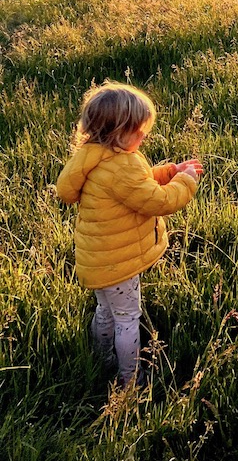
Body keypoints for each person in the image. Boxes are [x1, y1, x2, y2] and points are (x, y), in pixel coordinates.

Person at [56, 81, 202, 387]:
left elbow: (140, 184)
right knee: (127, 320)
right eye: (138, 130)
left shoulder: (96, 157)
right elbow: (158, 201)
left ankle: (102, 360)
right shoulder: (121, 166)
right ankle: (130, 379)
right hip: (120, 264)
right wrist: (186, 181)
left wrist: (170, 171)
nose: (144, 135)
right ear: (117, 132)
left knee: (105, 312)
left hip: (97, 260)